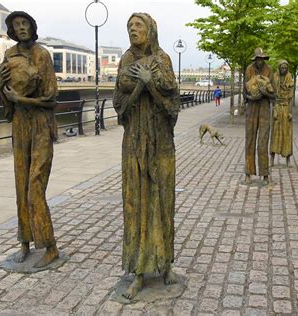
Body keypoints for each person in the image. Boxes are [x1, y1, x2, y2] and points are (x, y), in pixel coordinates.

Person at [113, 13, 180, 299]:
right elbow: (120, 107)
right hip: (135, 143)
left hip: (160, 143)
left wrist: (150, 83)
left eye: (138, 26)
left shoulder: (163, 59)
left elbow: (172, 105)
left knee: (163, 201)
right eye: (129, 26)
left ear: (151, 30)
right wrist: (141, 84)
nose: (133, 30)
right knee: (136, 202)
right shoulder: (126, 61)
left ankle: (165, 266)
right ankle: (139, 272)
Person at [0, 11, 59, 268]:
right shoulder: (10, 55)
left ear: (32, 27)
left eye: (24, 24)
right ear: (11, 30)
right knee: (21, 184)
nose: (21, 28)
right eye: (16, 25)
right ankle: (24, 243)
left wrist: (22, 100)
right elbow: (8, 95)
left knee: (35, 186)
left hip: (40, 125)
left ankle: (50, 246)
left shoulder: (42, 54)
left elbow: (51, 98)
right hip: (20, 125)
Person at [244, 47, 276, 185]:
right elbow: (244, 92)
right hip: (252, 109)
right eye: (258, 59)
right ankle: (248, 173)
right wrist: (251, 97)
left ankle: (265, 174)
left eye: (262, 59)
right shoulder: (249, 70)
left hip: (264, 110)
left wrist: (265, 93)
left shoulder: (269, 70)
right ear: (255, 59)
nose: (260, 61)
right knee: (250, 141)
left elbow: (274, 95)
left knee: (263, 142)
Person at [270, 60, 294, 167]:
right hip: (277, 107)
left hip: (286, 108)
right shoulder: (274, 77)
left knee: (287, 133)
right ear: (279, 68)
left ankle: (288, 158)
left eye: (285, 68)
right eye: (282, 68)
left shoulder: (289, 77)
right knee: (275, 133)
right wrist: (274, 110)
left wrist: (290, 112)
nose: (283, 69)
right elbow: (272, 96)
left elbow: (291, 98)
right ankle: (272, 157)